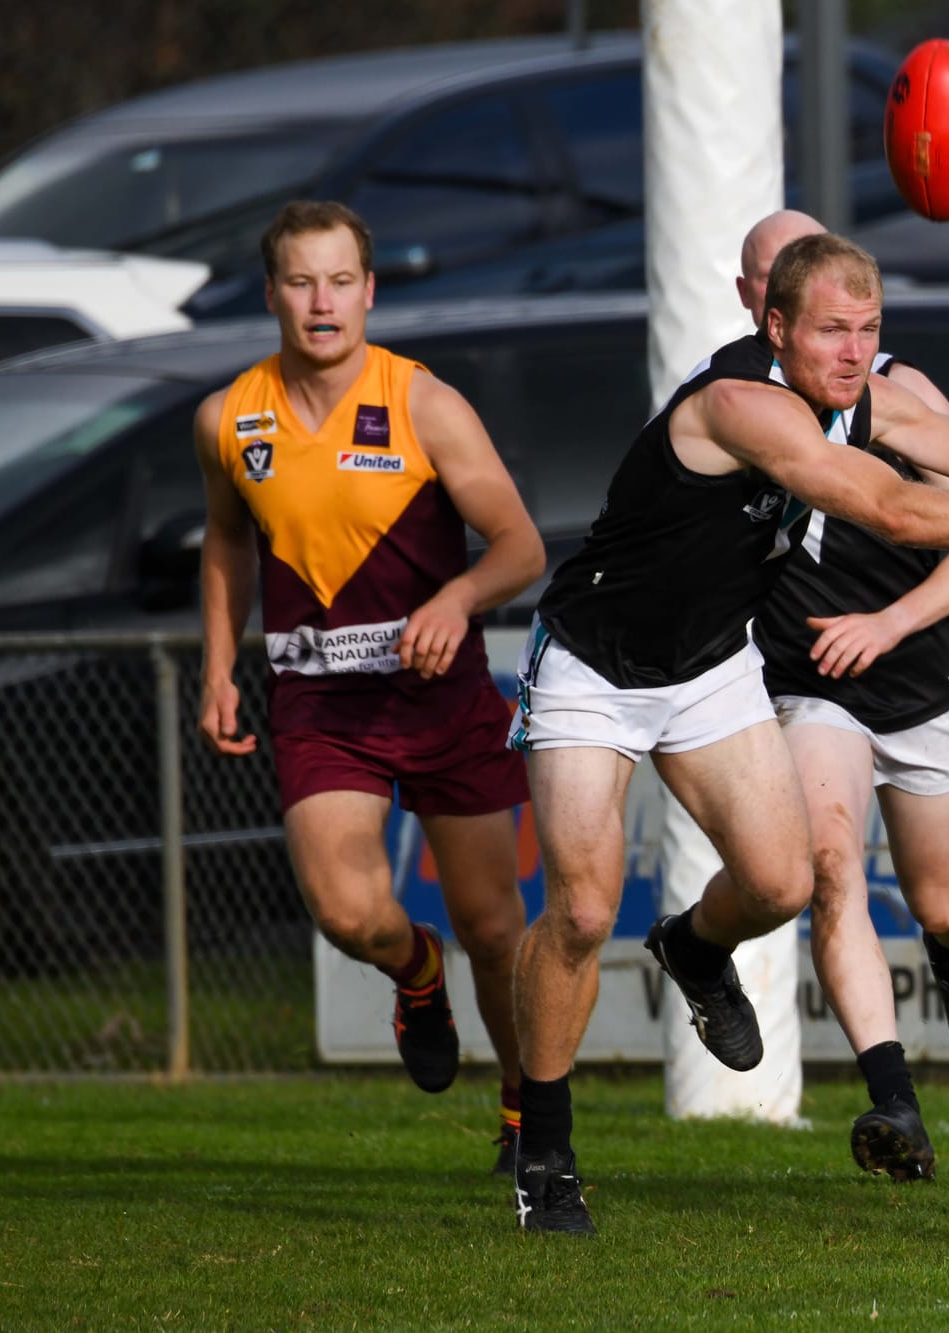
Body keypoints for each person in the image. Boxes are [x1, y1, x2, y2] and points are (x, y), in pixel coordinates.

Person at [509, 231, 949, 1234]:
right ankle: (545, 1152)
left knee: (781, 882)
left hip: (709, 664)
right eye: (829, 333)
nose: (853, 354)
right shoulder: (741, 404)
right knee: (583, 911)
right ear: (772, 325)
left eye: (867, 331)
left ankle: (689, 948)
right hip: (596, 662)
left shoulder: (861, 395)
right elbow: (895, 509)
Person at [193, 200, 546, 1172]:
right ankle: (413, 971)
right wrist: (219, 663)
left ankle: (524, 1117)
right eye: (301, 282)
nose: (321, 302)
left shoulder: (424, 403)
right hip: (321, 707)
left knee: (493, 923)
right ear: (271, 295)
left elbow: (520, 546)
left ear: (369, 292)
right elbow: (226, 541)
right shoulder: (229, 418)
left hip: (440, 697)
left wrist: (457, 598)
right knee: (348, 911)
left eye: (340, 281)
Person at [738, 212, 949, 1182]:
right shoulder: (733, 402)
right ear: (760, 310)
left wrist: (889, 622)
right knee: (828, 864)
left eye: (851, 313)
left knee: (939, 897)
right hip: (806, 678)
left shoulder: (900, 394)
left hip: (913, 673)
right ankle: (890, 1099)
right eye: (776, 284)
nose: (839, 335)